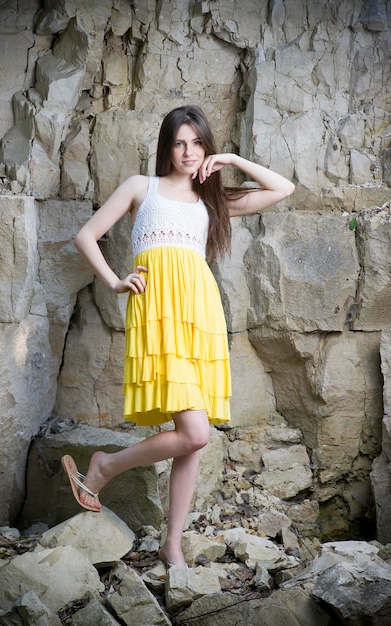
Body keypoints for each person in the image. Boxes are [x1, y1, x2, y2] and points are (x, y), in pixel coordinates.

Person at [62, 104, 295, 568]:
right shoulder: (140, 188)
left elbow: (283, 188)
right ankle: (104, 466)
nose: (189, 152)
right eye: (180, 143)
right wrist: (114, 281)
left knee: (192, 435)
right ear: (167, 147)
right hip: (159, 314)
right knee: (195, 433)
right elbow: (87, 235)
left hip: (200, 313)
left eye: (198, 143)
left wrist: (231, 160)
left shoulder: (214, 200)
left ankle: (172, 543)